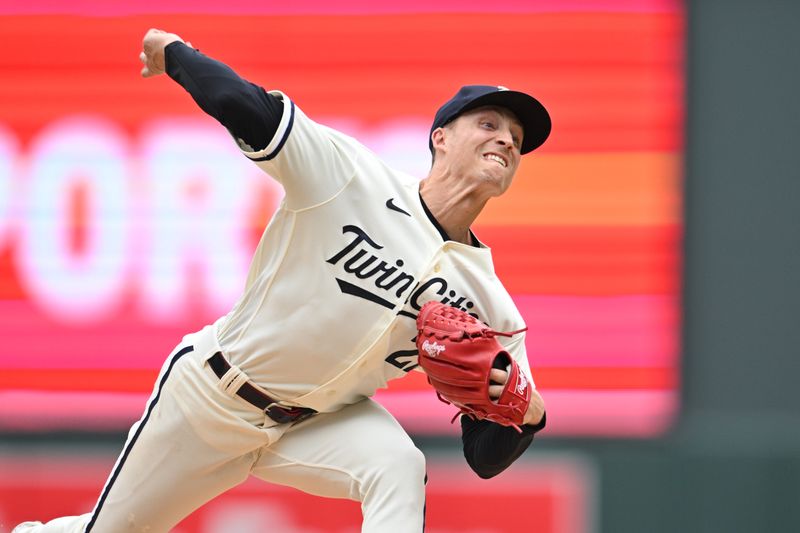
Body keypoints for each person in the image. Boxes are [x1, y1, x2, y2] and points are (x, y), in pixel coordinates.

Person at [14, 28, 549, 533]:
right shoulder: (349, 177)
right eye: (489, 124)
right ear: (439, 139)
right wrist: (175, 52)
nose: (506, 140)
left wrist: (529, 415)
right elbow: (252, 110)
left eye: (517, 138)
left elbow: (484, 455)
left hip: (315, 424)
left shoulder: (489, 302)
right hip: (212, 396)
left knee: (398, 467)